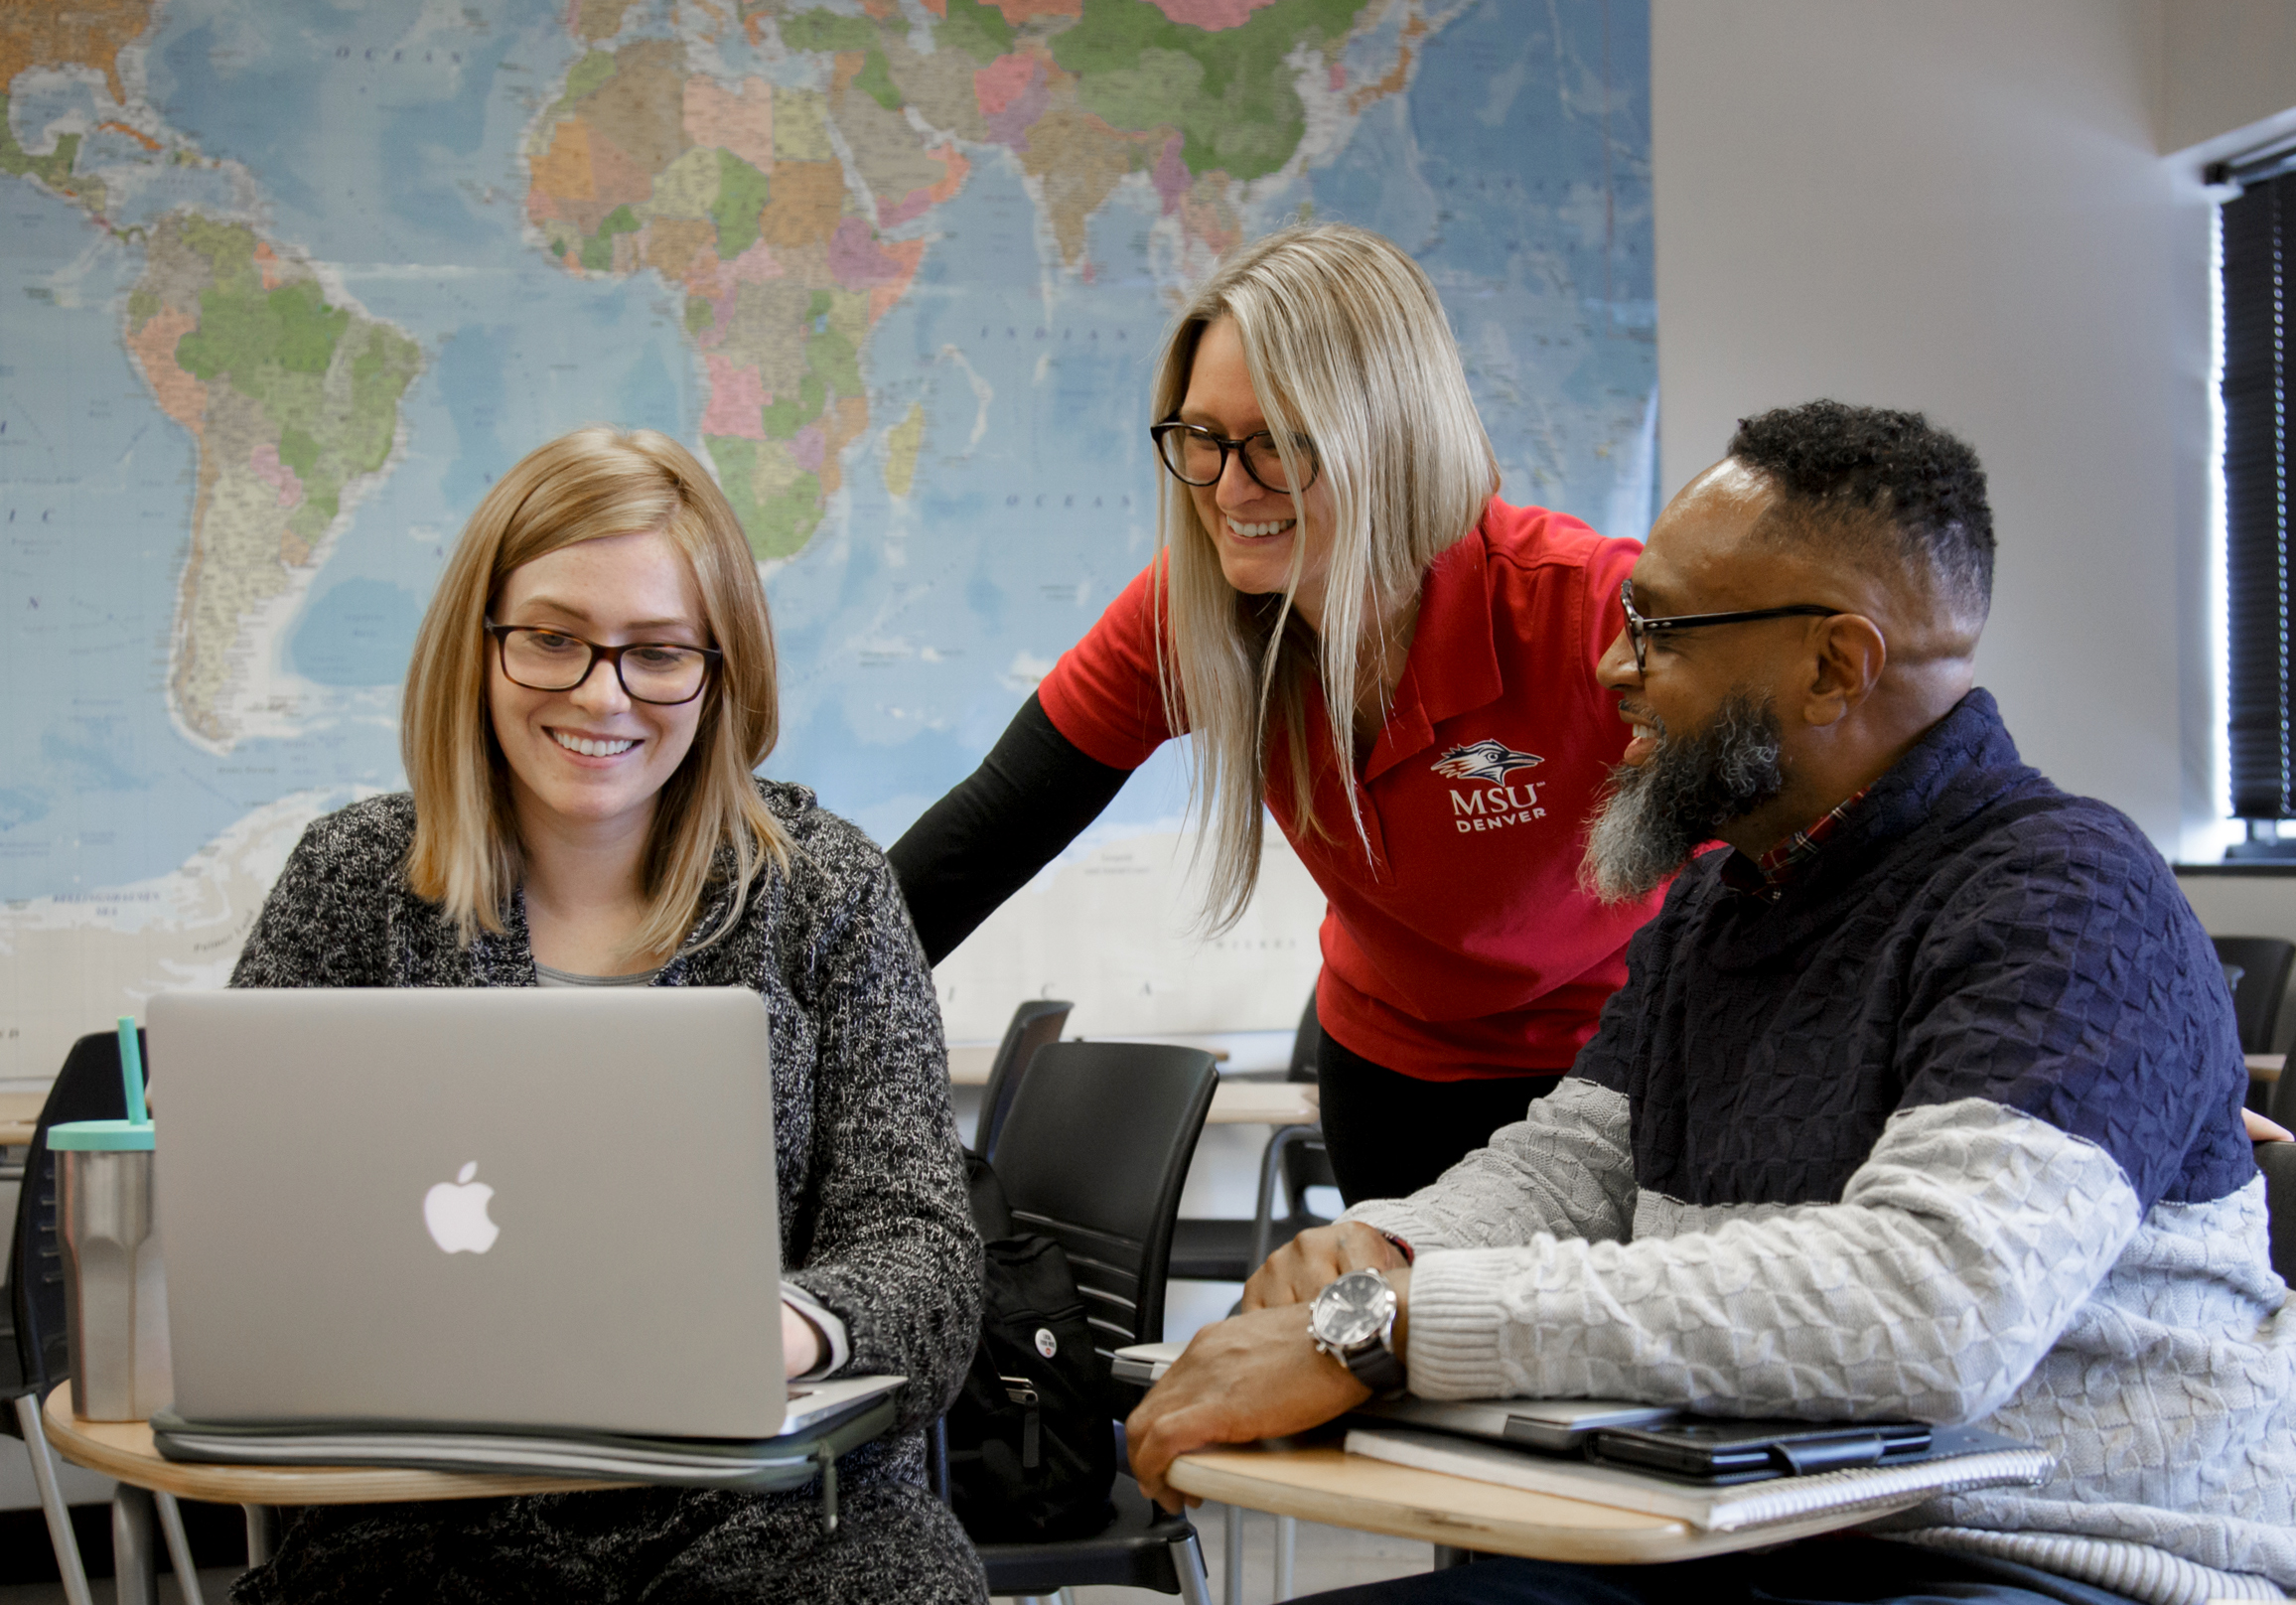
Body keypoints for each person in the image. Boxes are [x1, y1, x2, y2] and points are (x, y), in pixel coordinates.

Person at [1124, 402, 2296, 1605]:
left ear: (1833, 665)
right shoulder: (1725, 897)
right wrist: (1381, 1251)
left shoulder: (2065, 898)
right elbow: (1575, 1166)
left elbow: (1931, 1307)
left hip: (2035, 1567)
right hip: (1754, 1538)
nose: (1610, 666)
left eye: (1658, 630)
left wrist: (1387, 1327)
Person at [224, 427, 987, 1605]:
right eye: (553, 639)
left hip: (775, 1520)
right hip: (428, 1524)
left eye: (657, 652)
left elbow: (927, 1258)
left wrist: (775, 1327)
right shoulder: (352, 880)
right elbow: (242, 1235)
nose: (601, 693)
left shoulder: (826, 893)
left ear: (719, 669)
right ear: (479, 646)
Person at [891, 223, 1661, 1203]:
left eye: (1276, 447)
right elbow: (989, 832)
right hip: (1393, 1075)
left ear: (1391, 439)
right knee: (1402, 1350)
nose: (1228, 488)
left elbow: (1795, 851)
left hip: (1612, 1065)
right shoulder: (1192, 614)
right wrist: (777, 1023)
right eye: (1201, 440)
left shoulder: (1588, 609)